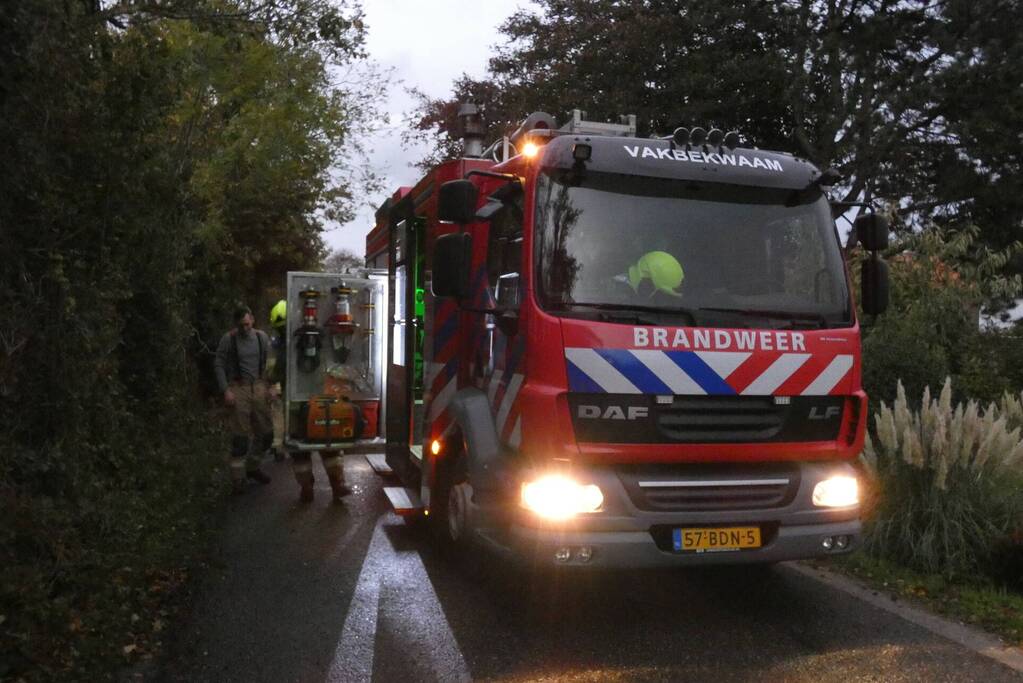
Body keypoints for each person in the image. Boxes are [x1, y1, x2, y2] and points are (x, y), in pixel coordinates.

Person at [214, 305, 273, 493]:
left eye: (247, 324)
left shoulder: (261, 337)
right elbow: (219, 364)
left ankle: (253, 467)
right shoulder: (229, 339)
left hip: (259, 386)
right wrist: (226, 390)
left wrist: (271, 386)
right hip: (238, 388)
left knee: (266, 434)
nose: (245, 329)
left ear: (252, 320)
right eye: (241, 326)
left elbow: (270, 363)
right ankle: (238, 480)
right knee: (240, 438)